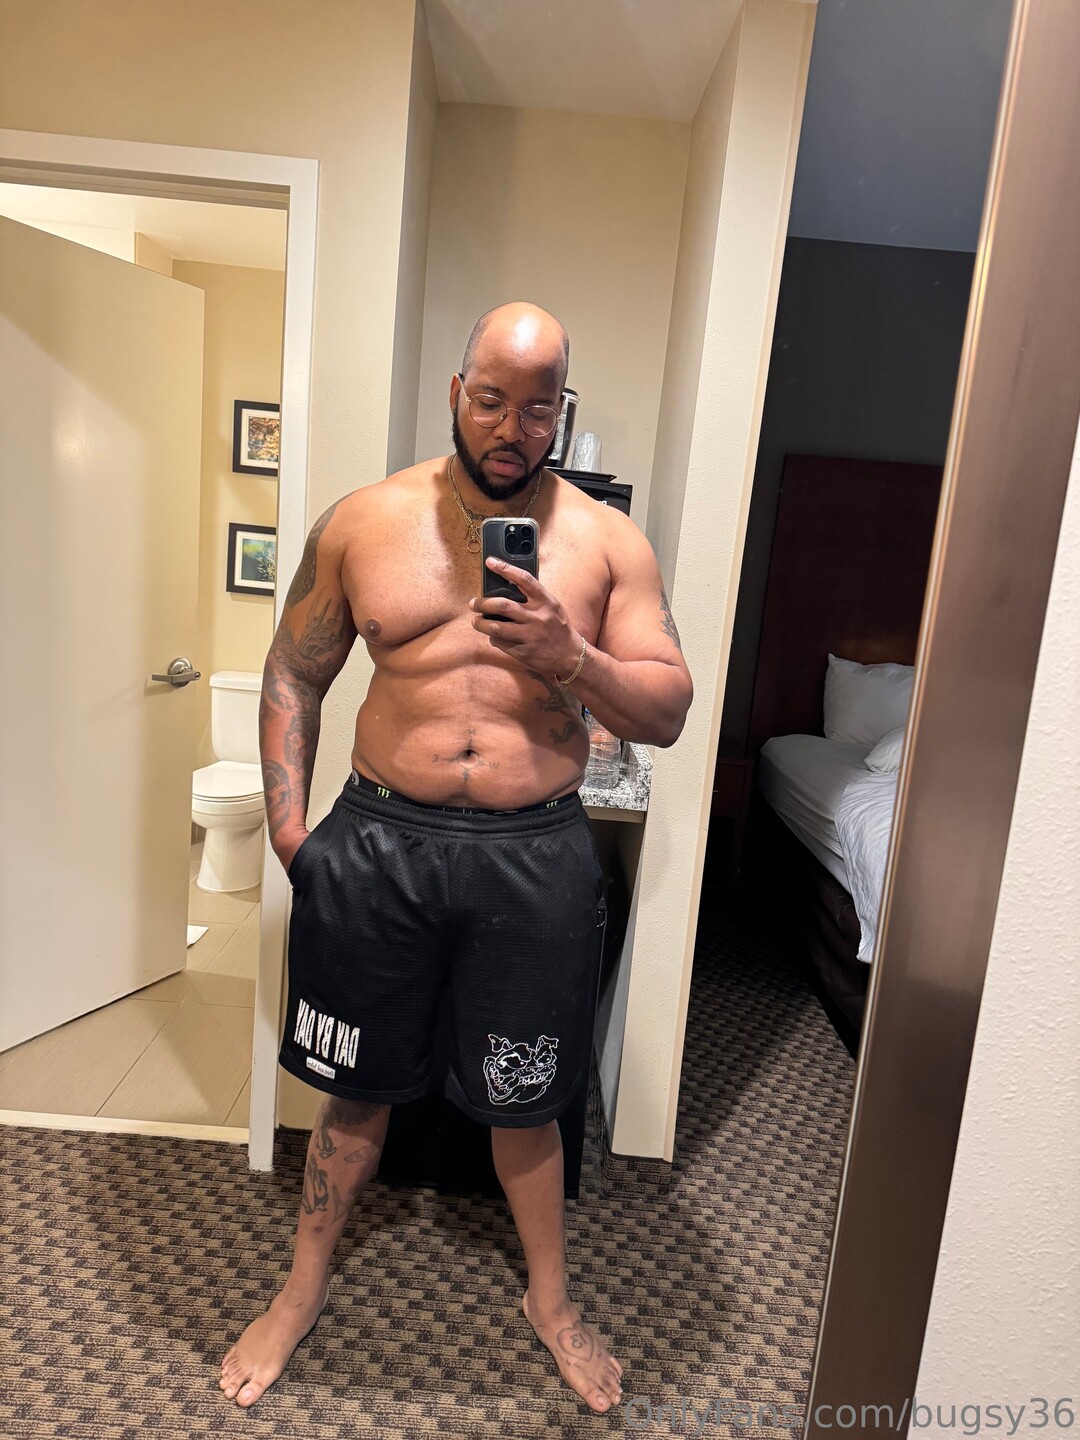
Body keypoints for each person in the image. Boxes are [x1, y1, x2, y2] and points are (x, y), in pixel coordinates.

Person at [218, 301, 693, 1414]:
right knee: (354, 1093)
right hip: (382, 840)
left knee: (531, 1096)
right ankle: (299, 1289)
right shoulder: (364, 522)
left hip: (533, 852)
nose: (511, 428)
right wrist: (291, 834)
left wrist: (571, 657)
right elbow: (293, 673)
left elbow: (669, 710)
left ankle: (552, 1302)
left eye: (538, 408)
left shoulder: (608, 543)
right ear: (455, 393)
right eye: (491, 400)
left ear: (561, 412)